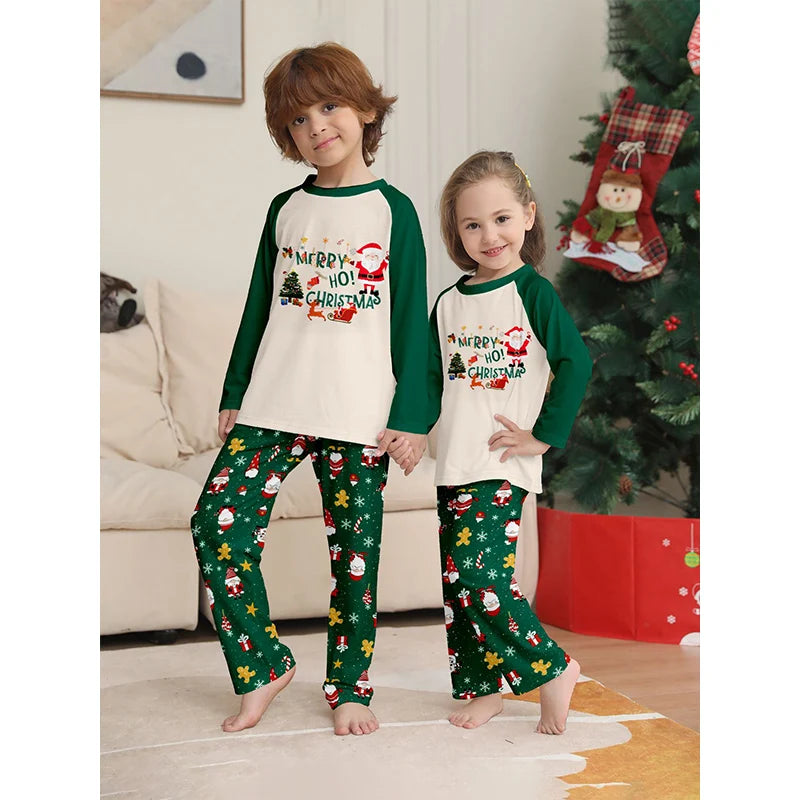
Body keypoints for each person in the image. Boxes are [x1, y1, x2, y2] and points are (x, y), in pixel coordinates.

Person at [190, 42, 428, 737]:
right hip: (274, 399)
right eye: (297, 120)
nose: (317, 126)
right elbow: (259, 307)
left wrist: (412, 417)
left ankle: (349, 688)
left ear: (362, 109)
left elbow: (411, 323)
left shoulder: (394, 211)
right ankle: (262, 664)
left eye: (329, 107)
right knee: (217, 522)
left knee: (355, 556)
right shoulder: (284, 210)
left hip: (359, 411)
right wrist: (236, 390)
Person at [424, 150, 592, 733]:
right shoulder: (448, 303)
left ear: (527, 216)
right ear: (457, 233)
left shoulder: (534, 293)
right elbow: (428, 380)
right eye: (472, 225)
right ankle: (482, 688)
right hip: (454, 462)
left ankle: (553, 669)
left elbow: (576, 362)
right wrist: (414, 434)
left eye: (500, 219)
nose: (488, 235)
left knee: (483, 579)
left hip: (501, 462)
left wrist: (543, 437)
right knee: (458, 586)